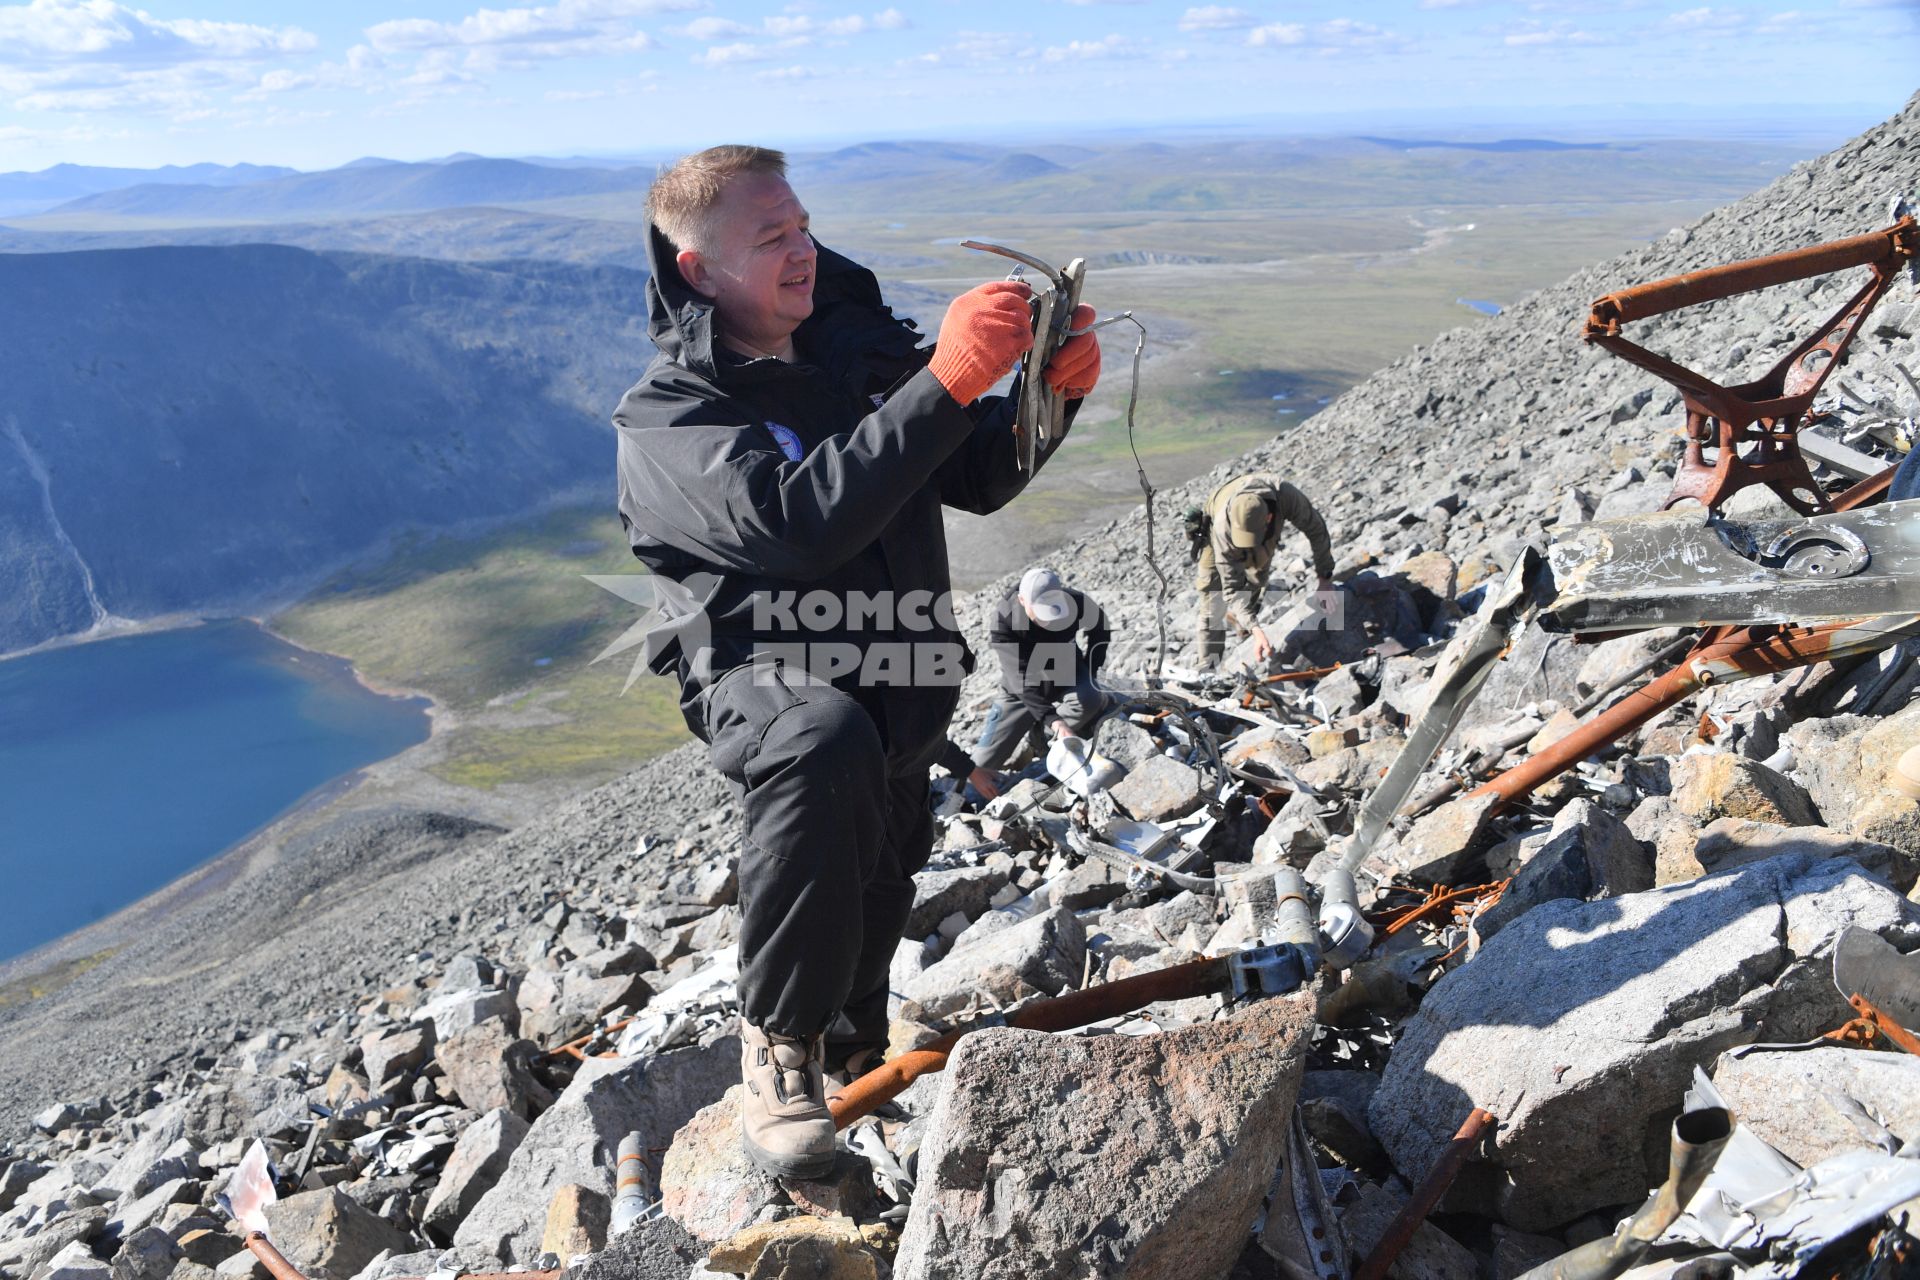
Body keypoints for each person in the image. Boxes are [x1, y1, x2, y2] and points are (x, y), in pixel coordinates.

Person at [611, 146, 1100, 1177]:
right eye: (769, 239)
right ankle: (774, 1045)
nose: (802, 253)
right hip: (777, 692)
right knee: (818, 737)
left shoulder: (848, 354)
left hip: (898, 700)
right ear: (699, 271)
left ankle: (842, 1095)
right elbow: (797, 528)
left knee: (869, 924)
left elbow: (972, 472)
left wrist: (1044, 399)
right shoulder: (671, 417)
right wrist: (948, 376)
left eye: (801, 227)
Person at [971, 567, 1112, 770]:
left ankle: (1038, 739)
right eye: (1041, 612)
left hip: (1066, 671)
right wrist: (1053, 719)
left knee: (1090, 698)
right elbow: (1020, 679)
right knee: (982, 764)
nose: (1048, 620)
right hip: (1022, 688)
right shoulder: (1005, 621)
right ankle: (1041, 726)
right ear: (1021, 600)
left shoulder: (1076, 602)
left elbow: (1101, 628)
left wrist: (1090, 669)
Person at [1193, 473, 1335, 667]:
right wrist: (1257, 630)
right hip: (1216, 527)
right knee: (1212, 598)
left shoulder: (1287, 496)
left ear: (1269, 518)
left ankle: (1241, 618)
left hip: (1266, 524)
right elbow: (1231, 588)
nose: (1245, 547)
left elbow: (1316, 530)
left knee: (1256, 577)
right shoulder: (1222, 528)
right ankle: (1207, 669)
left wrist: (1325, 578)